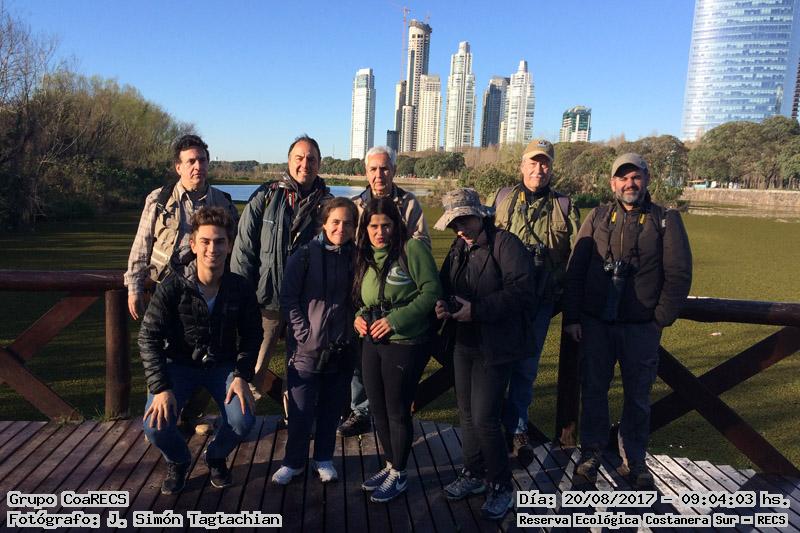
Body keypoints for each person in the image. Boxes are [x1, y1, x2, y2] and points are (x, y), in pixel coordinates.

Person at [563, 153, 692, 489]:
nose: (629, 184)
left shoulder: (665, 219)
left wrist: (659, 319)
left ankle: (634, 459)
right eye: (623, 178)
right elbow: (576, 270)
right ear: (612, 184)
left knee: (637, 396)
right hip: (596, 324)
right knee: (593, 390)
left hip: (640, 327)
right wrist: (573, 317)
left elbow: (679, 274)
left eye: (636, 177)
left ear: (647, 180)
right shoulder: (597, 217)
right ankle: (591, 453)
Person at [139, 206, 261, 495]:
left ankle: (216, 456)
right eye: (205, 241)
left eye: (219, 242)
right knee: (155, 425)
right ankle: (179, 460)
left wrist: (241, 375)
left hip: (222, 366)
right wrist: (160, 387)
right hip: (178, 365)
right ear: (193, 245)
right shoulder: (172, 286)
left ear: (229, 246)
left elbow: (252, 335)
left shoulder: (240, 288)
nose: (212, 249)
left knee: (243, 419)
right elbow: (148, 337)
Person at [433, 188, 537, 521]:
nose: (460, 228)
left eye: (464, 220)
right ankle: (473, 473)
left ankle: (501, 485)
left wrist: (477, 310)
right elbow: (445, 284)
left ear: (480, 215)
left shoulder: (506, 244)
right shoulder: (459, 247)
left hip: (496, 345)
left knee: (485, 418)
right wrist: (443, 305)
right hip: (464, 342)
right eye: (454, 224)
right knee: (466, 413)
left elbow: (523, 292)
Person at [125, 134, 238, 435]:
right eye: (190, 161)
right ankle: (161, 415)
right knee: (161, 353)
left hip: (208, 294)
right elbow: (141, 245)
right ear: (178, 167)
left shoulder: (223, 202)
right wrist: (134, 286)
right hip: (165, 292)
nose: (197, 166)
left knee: (206, 352)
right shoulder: (159, 199)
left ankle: (192, 415)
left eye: (202, 160)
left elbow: (235, 249)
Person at [487, 139, 580, 466]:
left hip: (540, 302)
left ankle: (517, 429)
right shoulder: (502, 198)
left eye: (545, 163)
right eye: (533, 162)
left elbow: (577, 259)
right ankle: (490, 427)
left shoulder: (564, 205)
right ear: (522, 166)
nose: (539, 169)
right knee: (495, 364)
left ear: (551, 168)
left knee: (526, 368)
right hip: (502, 299)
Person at [231, 135, 332, 402]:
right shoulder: (266, 196)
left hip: (309, 305)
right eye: (299, 158)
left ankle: (295, 421)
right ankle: (241, 420)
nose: (305, 164)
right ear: (288, 161)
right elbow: (244, 249)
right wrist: (242, 297)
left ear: (319, 163)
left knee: (301, 371)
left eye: (311, 159)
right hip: (267, 300)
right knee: (252, 369)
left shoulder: (328, 204)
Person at [353, 197, 441, 503]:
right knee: (377, 408)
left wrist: (395, 320)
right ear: (365, 228)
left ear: (396, 225)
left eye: (386, 225)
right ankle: (391, 465)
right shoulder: (365, 255)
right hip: (372, 341)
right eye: (373, 226)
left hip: (405, 342)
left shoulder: (411, 249)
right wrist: (358, 317)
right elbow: (361, 298)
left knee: (397, 409)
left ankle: (400, 474)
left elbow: (431, 291)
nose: (380, 233)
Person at [338, 145, 430, 438]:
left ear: (394, 171)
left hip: (398, 294)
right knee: (359, 358)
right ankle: (361, 411)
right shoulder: (355, 205)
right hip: (361, 288)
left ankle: (394, 421)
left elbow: (421, 246)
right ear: (365, 172)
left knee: (395, 376)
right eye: (374, 169)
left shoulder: (409, 204)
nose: (379, 175)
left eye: (385, 168)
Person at [271, 198, 358, 485]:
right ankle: (293, 462)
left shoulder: (357, 258)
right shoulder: (305, 255)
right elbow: (289, 298)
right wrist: (304, 333)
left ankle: (323, 459)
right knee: (300, 411)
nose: (341, 228)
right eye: (336, 222)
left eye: (348, 223)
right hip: (307, 349)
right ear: (324, 223)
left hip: (342, 348)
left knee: (331, 410)